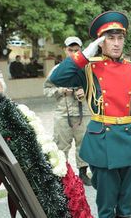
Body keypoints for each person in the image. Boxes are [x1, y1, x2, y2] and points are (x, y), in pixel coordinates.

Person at [49, 11, 131, 218]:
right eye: (110, 38)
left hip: (128, 143)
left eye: (120, 38)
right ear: (101, 42)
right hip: (103, 144)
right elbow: (57, 78)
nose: (117, 43)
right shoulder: (88, 68)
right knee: (106, 208)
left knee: (125, 208)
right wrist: (84, 54)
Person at [44, 36, 92, 186]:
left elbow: (97, 89)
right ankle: (62, 177)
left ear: (81, 51)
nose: (73, 53)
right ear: (65, 50)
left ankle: (83, 173)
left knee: (84, 144)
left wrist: (85, 91)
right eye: (70, 50)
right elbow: (47, 89)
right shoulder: (58, 70)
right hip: (63, 113)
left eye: (76, 50)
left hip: (84, 113)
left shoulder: (87, 68)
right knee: (60, 146)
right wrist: (60, 90)